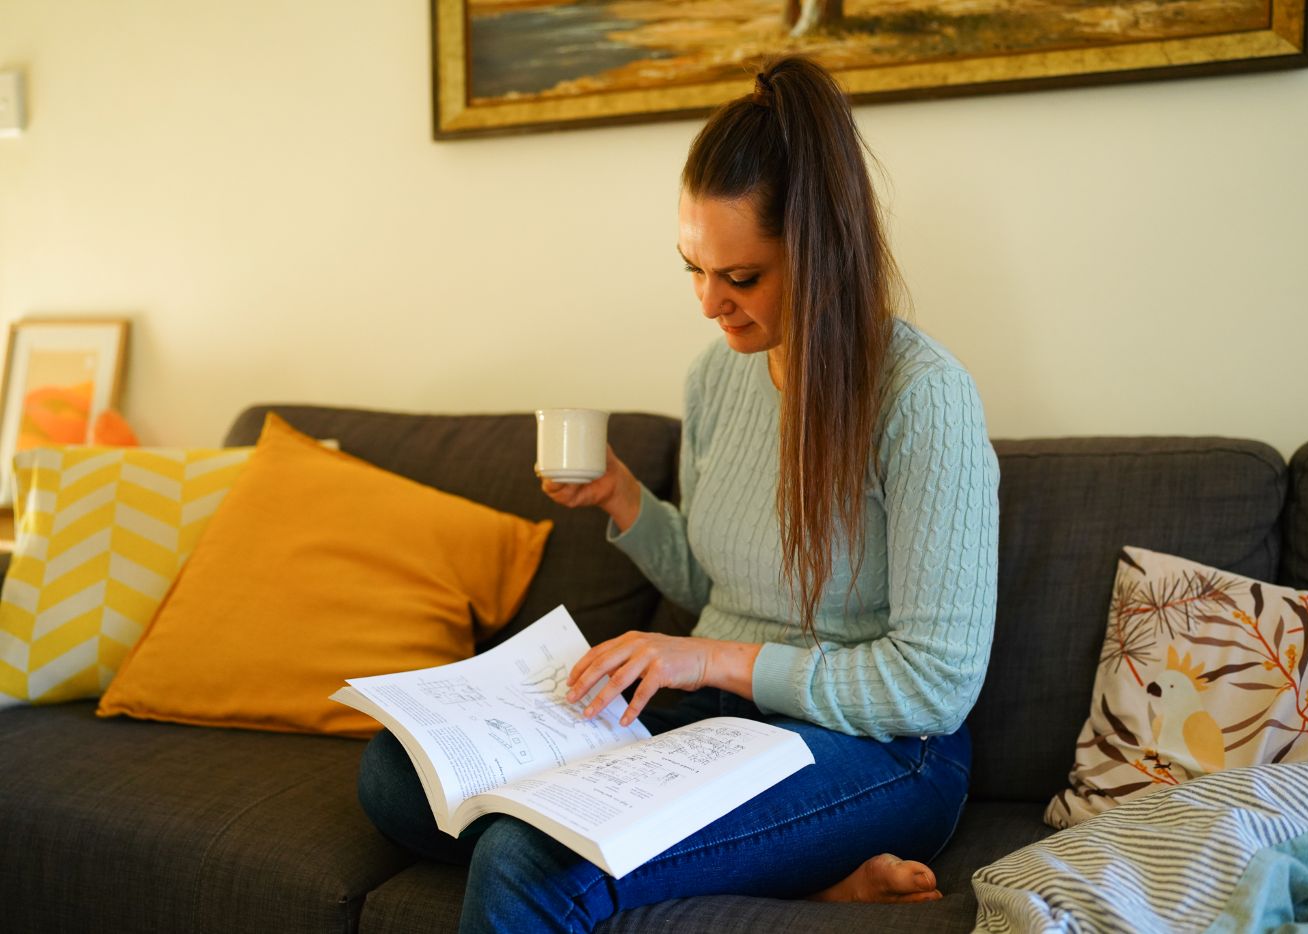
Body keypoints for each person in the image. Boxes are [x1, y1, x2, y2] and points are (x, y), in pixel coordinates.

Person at [357, 55, 999, 933]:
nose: (710, 304)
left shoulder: (921, 398)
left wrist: (708, 659)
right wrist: (624, 496)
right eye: (693, 268)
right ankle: (793, 880)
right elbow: (713, 591)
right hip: (720, 718)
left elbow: (934, 688)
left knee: (529, 857)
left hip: (880, 751)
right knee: (400, 773)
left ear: (825, 252)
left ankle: (747, 864)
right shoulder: (718, 376)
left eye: (743, 279)